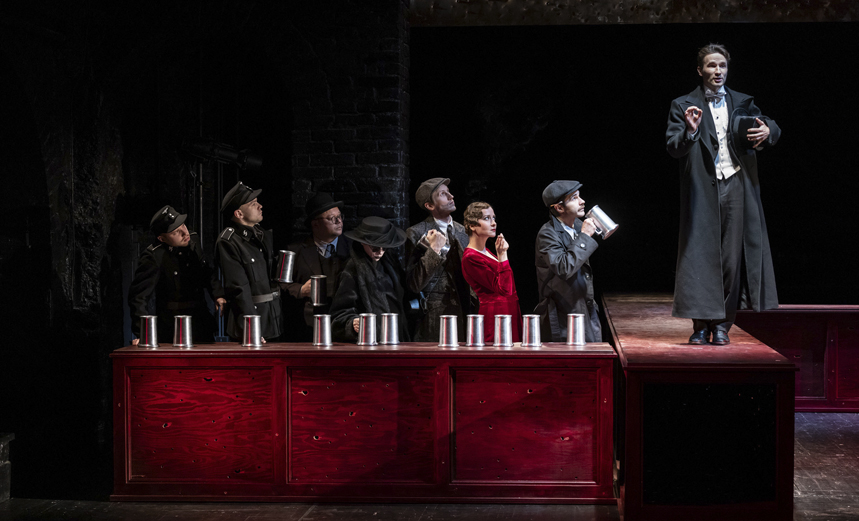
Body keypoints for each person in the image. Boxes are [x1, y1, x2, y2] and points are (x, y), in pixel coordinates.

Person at [666, 43, 781, 345]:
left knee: (731, 259)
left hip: (736, 184)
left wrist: (769, 131)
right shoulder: (682, 104)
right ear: (700, 70)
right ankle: (700, 325)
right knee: (700, 257)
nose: (718, 71)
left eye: (722, 66)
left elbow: (769, 125)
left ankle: (722, 325)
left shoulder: (741, 101)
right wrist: (691, 130)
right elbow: (674, 147)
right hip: (703, 189)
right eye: (711, 65)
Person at [128, 205, 226, 345]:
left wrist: (218, 294)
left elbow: (205, 271)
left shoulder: (192, 239)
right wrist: (142, 333)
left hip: (200, 322)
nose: (185, 233)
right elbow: (138, 297)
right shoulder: (154, 256)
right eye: (176, 232)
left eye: (183, 225)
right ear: (162, 238)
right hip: (172, 327)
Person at [405, 177, 474, 341]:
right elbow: (414, 283)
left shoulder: (464, 232)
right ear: (430, 205)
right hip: (434, 319)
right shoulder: (416, 232)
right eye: (443, 194)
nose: (451, 197)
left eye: (449, 192)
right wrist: (434, 251)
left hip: (465, 314)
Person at [216, 182, 284, 342]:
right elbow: (238, 288)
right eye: (253, 204)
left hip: (273, 318)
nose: (260, 206)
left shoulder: (261, 234)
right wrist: (252, 326)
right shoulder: (229, 241)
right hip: (251, 322)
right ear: (239, 213)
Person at [534, 181, 601, 343]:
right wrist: (584, 237)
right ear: (559, 208)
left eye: (580, 196)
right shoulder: (547, 234)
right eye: (574, 198)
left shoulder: (577, 226)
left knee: (595, 353)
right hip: (562, 315)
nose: (582, 201)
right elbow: (564, 267)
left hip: (584, 307)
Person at [329, 216, 411, 343]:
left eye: (384, 247)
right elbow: (339, 314)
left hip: (396, 337)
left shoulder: (390, 263)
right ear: (363, 243)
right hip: (371, 340)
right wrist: (353, 323)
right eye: (375, 248)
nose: (380, 252)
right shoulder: (352, 269)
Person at [284, 193, 351, 339]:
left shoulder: (353, 249)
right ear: (315, 224)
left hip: (343, 325)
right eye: (332, 218)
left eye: (340, 216)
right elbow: (279, 286)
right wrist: (300, 290)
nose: (339, 221)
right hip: (307, 329)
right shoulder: (294, 251)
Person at [461, 202, 522, 344]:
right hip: (495, 315)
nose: (493, 223)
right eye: (487, 218)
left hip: (509, 310)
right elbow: (504, 289)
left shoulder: (487, 251)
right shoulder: (470, 258)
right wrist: (503, 256)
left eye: (493, 218)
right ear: (472, 225)